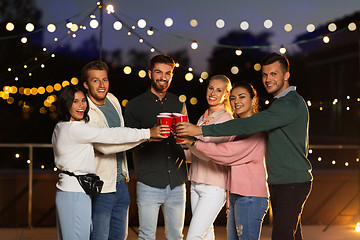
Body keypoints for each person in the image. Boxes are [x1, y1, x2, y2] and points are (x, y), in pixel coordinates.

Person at [176, 53, 313, 240]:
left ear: (286, 75)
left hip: (289, 184)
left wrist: (197, 132)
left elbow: (235, 141)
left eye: (274, 74)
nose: (268, 79)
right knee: (291, 235)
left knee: (282, 236)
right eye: (265, 75)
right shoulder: (280, 104)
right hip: (278, 183)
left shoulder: (288, 104)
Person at [52, 85, 168, 240]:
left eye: (83, 101)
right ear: (66, 104)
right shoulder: (76, 129)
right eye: (75, 101)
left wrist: (148, 137)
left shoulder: (60, 127)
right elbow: (111, 134)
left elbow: (104, 144)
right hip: (75, 193)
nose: (81, 105)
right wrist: (148, 132)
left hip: (70, 191)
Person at [178, 82, 269, 240]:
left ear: (254, 100)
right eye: (233, 98)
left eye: (242, 97)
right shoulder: (236, 127)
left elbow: (226, 153)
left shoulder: (256, 128)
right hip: (235, 194)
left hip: (250, 196)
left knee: (195, 236)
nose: (236, 102)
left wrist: (193, 142)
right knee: (207, 235)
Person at [124, 54, 188, 240]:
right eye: (158, 72)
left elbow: (186, 139)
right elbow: (128, 144)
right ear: (150, 73)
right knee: (146, 236)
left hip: (177, 182)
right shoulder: (134, 106)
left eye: (168, 73)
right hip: (148, 182)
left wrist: (184, 136)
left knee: (176, 235)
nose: (163, 77)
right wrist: (150, 135)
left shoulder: (179, 103)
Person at [81, 60, 132, 240]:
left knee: (120, 236)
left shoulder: (113, 99)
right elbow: (105, 146)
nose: (102, 85)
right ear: (86, 84)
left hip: (121, 183)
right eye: (95, 80)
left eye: (105, 79)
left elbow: (118, 134)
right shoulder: (85, 110)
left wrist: (124, 174)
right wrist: (146, 135)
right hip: (101, 185)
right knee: (100, 236)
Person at [184, 75, 234, 240]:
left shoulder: (226, 119)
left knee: (194, 236)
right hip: (196, 184)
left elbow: (209, 154)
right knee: (206, 235)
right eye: (211, 88)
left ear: (226, 95)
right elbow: (194, 155)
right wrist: (174, 142)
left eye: (219, 90)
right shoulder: (203, 118)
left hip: (214, 187)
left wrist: (190, 141)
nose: (213, 93)